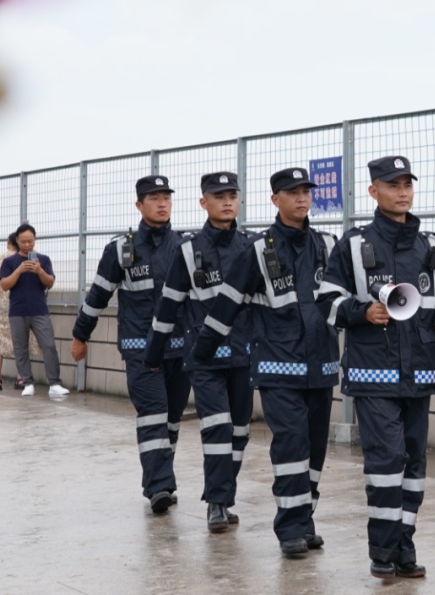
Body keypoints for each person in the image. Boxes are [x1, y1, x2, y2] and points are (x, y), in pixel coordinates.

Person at [315, 155, 435, 579]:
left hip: (420, 374)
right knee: (387, 461)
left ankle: (405, 548)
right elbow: (326, 302)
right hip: (373, 376)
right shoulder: (352, 245)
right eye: (393, 184)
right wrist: (361, 311)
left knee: (414, 465)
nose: (402, 191)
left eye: (407, 183)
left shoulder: (430, 246)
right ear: (374, 191)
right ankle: (382, 552)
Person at [192, 167, 339, 556]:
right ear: (276, 200)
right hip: (278, 369)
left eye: (306, 191)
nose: (302, 198)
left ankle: (305, 521)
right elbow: (226, 307)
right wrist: (201, 355)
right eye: (292, 193)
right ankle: (290, 528)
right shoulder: (256, 250)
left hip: (322, 369)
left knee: (315, 452)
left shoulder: (327, 243)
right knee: (291, 446)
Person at [71, 175, 192, 514]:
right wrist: (81, 335)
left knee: (171, 420)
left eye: (166, 197)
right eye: (154, 198)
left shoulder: (184, 247)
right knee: (152, 415)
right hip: (140, 350)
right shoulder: (121, 249)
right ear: (139, 205)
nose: (163, 203)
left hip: (180, 349)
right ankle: (159, 487)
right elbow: (97, 296)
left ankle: (161, 475)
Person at [145, 171, 252, 533]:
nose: (227, 201)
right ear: (203, 202)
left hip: (244, 356)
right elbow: (168, 305)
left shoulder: (251, 247)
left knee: (239, 432)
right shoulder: (188, 251)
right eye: (218, 195)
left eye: (232, 195)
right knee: (217, 428)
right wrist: (153, 354)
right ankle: (217, 504)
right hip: (203, 359)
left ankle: (225, 494)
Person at [0, 223, 70, 400]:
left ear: (35, 239)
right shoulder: (9, 262)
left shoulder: (43, 260)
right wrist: (19, 270)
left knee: (49, 346)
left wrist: (39, 271)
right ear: (17, 241)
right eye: (23, 241)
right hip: (17, 311)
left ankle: (54, 383)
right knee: (21, 349)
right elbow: (4, 285)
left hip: (39, 310)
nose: (27, 245)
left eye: (30, 241)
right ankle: (28, 383)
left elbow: (50, 283)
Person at [0, 233, 39, 390]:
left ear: (9, 242)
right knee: (21, 341)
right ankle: (21, 378)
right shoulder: (28, 259)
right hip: (20, 304)